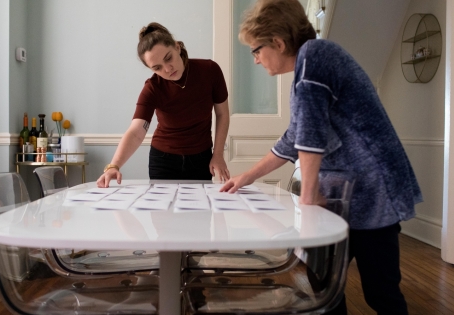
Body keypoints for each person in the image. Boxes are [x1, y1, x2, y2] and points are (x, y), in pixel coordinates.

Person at [220, 1, 422, 314]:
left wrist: (309, 194)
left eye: (256, 50)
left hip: (373, 192)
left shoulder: (314, 56)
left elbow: (310, 132)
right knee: (323, 284)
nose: (256, 60)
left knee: (380, 292)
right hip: (346, 195)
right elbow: (295, 136)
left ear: (278, 42)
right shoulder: (309, 62)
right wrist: (248, 176)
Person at [97, 22, 230, 187]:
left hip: (201, 158)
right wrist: (114, 166)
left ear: (177, 47)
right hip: (163, 161)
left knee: (201, 211)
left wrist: (218, 154)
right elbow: (136, 131)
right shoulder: (152, 88)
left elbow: (222, 114)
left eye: (168, 58)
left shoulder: (210, 70)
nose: (167, 69)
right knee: (163, 212)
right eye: (157, 68)